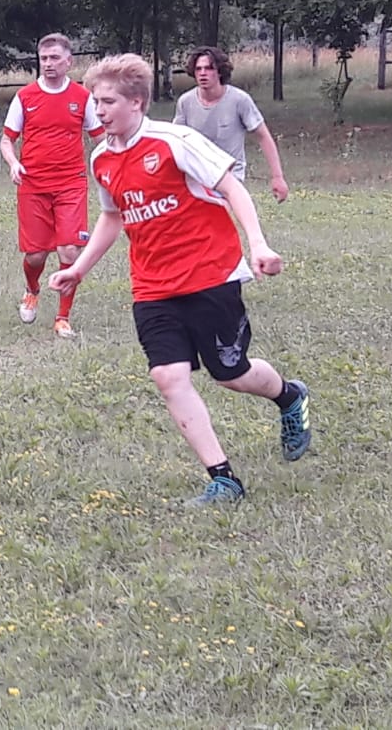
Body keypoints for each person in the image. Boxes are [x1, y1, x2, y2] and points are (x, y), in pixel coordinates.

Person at [49, 53, 312, 507]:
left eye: (108, 102)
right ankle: (224, 479)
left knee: (230, 373)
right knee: (168, 376)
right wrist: (78, 269)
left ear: (136, 102)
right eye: (95, 102)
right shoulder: (101, 159)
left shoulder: (174, 141)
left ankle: (289, 397)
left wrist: (258, 244)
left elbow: (231, 187)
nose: (99, 110)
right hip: (152, 286)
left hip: (210, 275)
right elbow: (112, 216)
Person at [0, 33, 103, 339]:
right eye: (43, 58)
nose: (48, 64)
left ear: (68, 61)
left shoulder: (82, 97)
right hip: (33, 186)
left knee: (69, 249)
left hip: (71, 184)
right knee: (36, 255)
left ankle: (62, 317)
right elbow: (6, 140)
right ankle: (32, 290)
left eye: (54, 58)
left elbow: (100, 139)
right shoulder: (25, 97)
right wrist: (13, 163)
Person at [173, 46, 289, 202]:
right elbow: (175, 141)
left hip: (230, 177)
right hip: (197, 176)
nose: (203, 73)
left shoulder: (239, 100)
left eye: (209, 68)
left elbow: (263, 136)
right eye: (198, 69)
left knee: (218, 211)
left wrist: (277, 177)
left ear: (220, 71)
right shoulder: (185, 102)